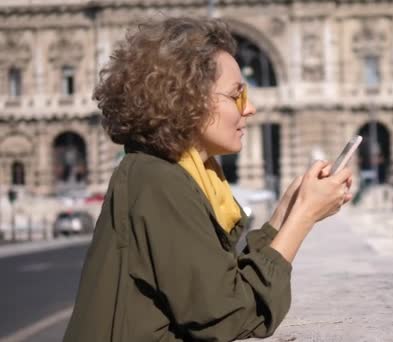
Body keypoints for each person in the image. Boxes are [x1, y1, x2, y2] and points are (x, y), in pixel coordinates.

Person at [64, 17, 352, 342]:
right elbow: (234, 315)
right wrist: (304, 218)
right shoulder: (158, 181)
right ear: (187, 99)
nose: (251, 109)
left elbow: (219, 282)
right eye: (236, 96)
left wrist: (287, 210)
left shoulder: (173, 173)